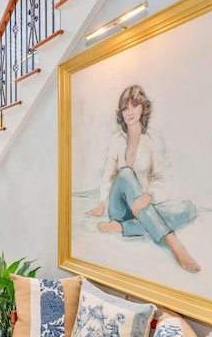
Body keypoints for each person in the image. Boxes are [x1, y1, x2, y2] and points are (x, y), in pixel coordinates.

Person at [86, 85, 200, 273]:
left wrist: (149, 196)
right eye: (125, 108)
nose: (130, 112)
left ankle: (122, 228)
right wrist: (102, 203)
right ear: (121, 113)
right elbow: (108, 175)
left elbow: (163, 179)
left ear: (143, 108)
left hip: (143, 206)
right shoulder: (116, 140)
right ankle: (173, 242)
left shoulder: (154, 139)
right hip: (121, 208)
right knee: (125, 173)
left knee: (188, 209)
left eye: (135, 106)